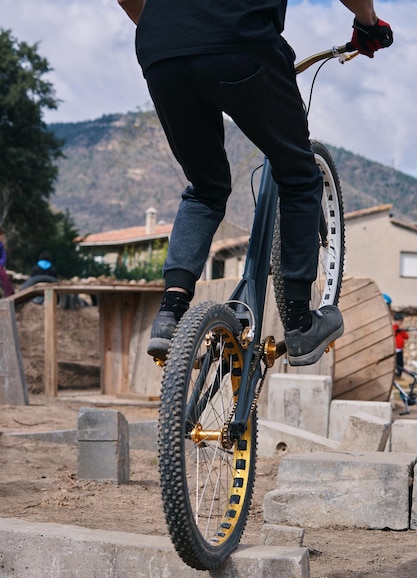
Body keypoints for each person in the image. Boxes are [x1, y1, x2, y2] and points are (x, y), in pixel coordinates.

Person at [117, 0, 393, 365]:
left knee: (206, 188)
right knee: (297, 173)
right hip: (240, 42)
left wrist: (174, 27)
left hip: (162, 51)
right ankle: (299, 324)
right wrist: (368, 22)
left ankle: (170, 312)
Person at [393, 312, 409, 377]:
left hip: (400, 349)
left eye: (401, 321)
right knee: (397, 363)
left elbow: (406, 337)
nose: (400, 322)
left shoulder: (400, 329)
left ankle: (399, 374)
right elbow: (394, 333)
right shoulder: (394, 327)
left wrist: (401, 330)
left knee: (400, 363)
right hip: (396, 349)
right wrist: (397, 329)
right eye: (399, 320)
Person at [0, 227, 14, 297]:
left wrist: (0, 264)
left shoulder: (1, 245)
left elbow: (3, 256)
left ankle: (9, 294)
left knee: (5, 278)